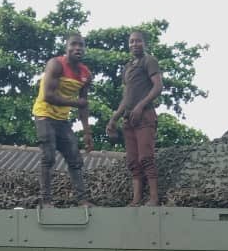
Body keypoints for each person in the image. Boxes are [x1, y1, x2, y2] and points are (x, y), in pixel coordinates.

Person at [32, 34, 94, 206]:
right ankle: (46, 200)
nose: (77, 48)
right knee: (48, 156)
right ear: (66, 48)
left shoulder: (85, 74)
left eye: (81, 45)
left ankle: (82, 199)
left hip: (62, 120)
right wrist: (75, 102)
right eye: (73, 45)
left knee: (75, 158)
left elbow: (84, 105)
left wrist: (87, 132)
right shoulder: (56, 65)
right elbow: (48, 96)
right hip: (44, 115)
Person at [107, 30, 163, 206]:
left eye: (137, 41)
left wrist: (140, 106)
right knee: (132, 161)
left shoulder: (149, 61)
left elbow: (158, 86)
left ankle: (154, 197)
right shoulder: (128, 67)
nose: (134, 44)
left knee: (146, 157)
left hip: (145, 116)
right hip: (129, 119)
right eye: (131, 42)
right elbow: (126, 97)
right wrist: (114, 118)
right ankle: (136, 198)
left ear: (144, 43)